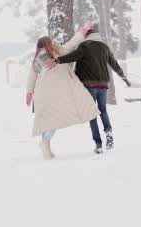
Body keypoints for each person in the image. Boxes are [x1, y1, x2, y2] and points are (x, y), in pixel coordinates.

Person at [46, 24, 130, 152]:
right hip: (103, 85)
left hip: (89, 85)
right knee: (103, 110)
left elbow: (72, 56)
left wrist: (57, 61)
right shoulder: (105, 47)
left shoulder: (84, 46)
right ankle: (108, 132)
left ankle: (98, 144)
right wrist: (124, 77)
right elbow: (114, 64)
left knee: (92, 114)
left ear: (87, 35)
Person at [24, 24, 102, 159]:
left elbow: (32, 75)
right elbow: (72, 44)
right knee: (53, 121)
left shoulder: (42, 57)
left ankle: (46, 146)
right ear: (49, 44)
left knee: (49, 121)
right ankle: (45, 144)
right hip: (54, 95)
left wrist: (29, 93)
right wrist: (81, 32)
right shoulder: (57, 52)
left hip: (45, 95)